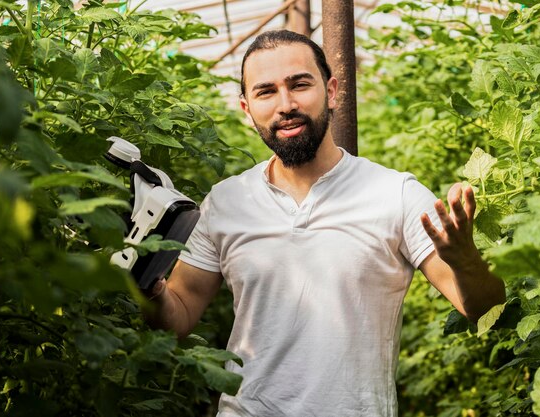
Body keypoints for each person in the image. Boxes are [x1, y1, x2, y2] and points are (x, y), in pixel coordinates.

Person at [144, 30, 506, 417]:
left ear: (331, 91)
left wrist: (465, 260)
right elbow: (178, 317)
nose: (286, 104)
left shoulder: (395, 193)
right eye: (266, 92)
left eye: (300, 84)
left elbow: (486, 308)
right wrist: (146, 284)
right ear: (247, 109)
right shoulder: (226, 202)